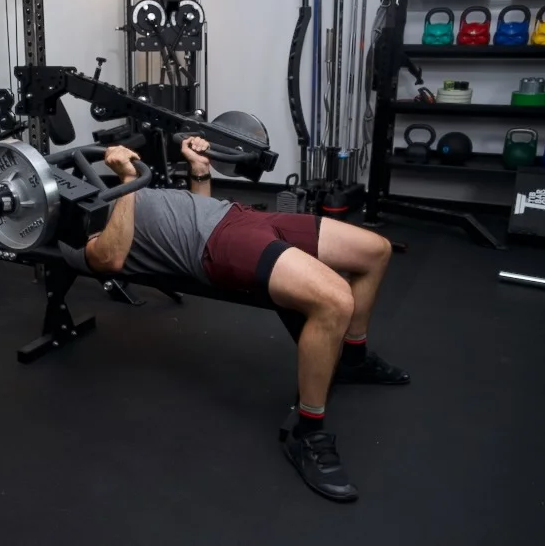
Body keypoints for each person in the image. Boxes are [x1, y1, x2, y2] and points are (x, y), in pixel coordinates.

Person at [59, 137, 410, 503]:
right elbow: (111, 259)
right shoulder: (70, 233)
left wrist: (199, 170)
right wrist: (127, 182)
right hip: (216, 247)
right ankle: (307, 434)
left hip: (242, 216)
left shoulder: (115, 196)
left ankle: (353, 359)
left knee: (376, 250)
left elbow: (198, 211)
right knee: (335, 300)